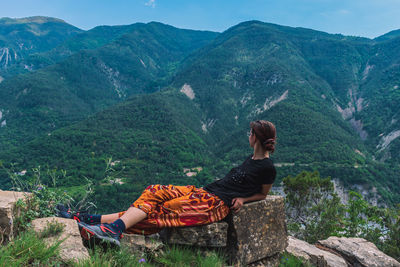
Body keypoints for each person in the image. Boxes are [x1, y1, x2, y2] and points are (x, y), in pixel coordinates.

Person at [57, 120, 277, 246]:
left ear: (255, 137)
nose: (248, 136)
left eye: (250, 133)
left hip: (213, 205)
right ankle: (101, 226)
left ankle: (91, 222)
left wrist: (243, 199)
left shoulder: (267, 168)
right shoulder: (251, 159)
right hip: (202, 192)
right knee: (155, 190)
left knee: (159, 213)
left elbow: (263, 195)